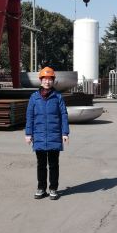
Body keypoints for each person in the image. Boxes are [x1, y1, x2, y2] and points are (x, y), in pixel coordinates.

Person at [25, 67, 69, 200]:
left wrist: (65, 132)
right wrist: (28, 134)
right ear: (41, 80)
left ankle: (53, 189)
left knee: (54, 164)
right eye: (45, 79)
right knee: (41, 164)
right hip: (39, 135)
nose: (47, 82)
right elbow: (30, 116)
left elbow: (63, 115)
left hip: (54, 135)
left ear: (53, 81)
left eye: (50, 79)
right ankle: (41, 188)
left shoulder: (58, 97)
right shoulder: (34, 97)